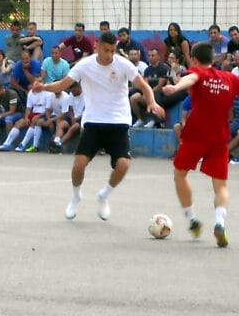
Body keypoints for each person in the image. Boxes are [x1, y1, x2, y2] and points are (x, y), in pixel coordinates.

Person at [159, 42, 239, 246]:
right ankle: (220, 222)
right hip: (219, 138)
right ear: (213, 59)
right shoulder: (229, 78)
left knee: (180, 173)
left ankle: (192, 219)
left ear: (195, 60)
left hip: (196, 135)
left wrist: (176, 86)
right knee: (221, 186)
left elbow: (191, 78)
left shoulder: (198, 73)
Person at [42, 32, 164, 221]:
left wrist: (152, 102)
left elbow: (144, 86)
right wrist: (42, 87)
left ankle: (104, 195)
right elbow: (61, 85)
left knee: (123, 165)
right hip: (93, 123)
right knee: (79, 165)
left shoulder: (123, 64)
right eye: (106, 50)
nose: (109, 54)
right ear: (97, 46)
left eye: (112, 50)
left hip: (119, 122)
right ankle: (76, 197)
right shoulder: (84, 65)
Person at [50, 82, 84, 153]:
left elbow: (86, 111)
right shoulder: (71, 94)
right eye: (71, 91)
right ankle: (56, 140)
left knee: (75, 126)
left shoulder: (86, 96)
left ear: (79, 88)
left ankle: (59, 144)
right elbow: (71, 108)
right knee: (62, 123)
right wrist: (72, 118)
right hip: (73, 117)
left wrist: (76, 119)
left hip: (82, 119)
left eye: (74, 91)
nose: (73, 93)